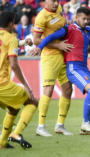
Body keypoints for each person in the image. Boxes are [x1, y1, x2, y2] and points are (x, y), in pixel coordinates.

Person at [32, 7, 90, 135]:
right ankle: (85, 124)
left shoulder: (89, 31)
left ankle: (86, 125)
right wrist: (39, 47)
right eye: (83, 18)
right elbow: (50, 37)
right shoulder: (68, 29)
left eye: (88, 19)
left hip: (84, 68)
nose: (86, 21)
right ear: (76, 17)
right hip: (73, 68)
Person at [31, 0, 74, 137]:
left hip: (64, 55)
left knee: (68, 88)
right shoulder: (41, 17)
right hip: (50, 56)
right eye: (53, 1)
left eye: (57, 0)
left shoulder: (59, 8)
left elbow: (60, 23)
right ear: (45, 2)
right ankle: (41, 126)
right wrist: (58, 45)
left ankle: (60, 125)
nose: (56, 3)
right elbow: (36, 40)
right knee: (48, 89)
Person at [0, 11, 38, 149]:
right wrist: (26, 86)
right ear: (11, 23)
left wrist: (22, 42)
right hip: (2, 85)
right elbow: (14, 65)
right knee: (32, 101)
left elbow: (4, 46)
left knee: (13, 108)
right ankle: (16, 133)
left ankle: (2, 143)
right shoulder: (11, 38)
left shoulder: (11, 40)